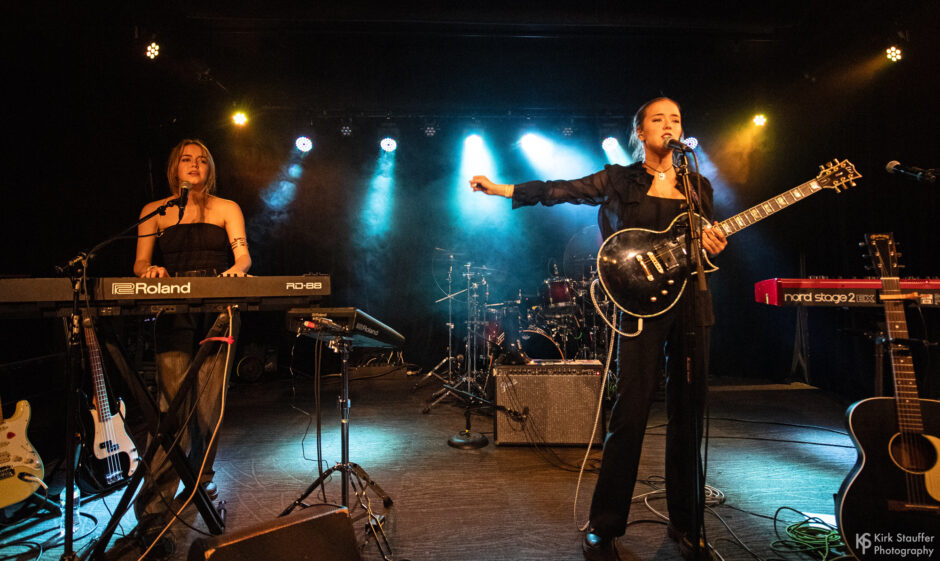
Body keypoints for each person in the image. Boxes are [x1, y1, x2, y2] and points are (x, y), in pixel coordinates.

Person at [470, 97, 727, 561]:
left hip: (690, 304)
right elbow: (561, 190)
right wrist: (502, 189)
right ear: (640, 132)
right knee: (630, 414)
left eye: (676, 119)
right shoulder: (620, 178)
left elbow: (702, 246)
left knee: (689, 416)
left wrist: (713, 243)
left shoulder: (697, 185)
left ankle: (688, 523)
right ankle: (604, 526)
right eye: (659, 119)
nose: (669, 125)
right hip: (639, 307)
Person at [130, 138, 251, 555]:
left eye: (202, 159)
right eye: (186, 159)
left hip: (218, 309)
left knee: (208, 409)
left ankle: (201, 482)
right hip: (173, 310)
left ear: (210, 169)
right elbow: (140, 263)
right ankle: (154, 510)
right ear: (174, 168)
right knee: (171, 409)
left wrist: (235, 272)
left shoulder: (227, 208)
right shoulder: (155, 211)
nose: (194, 164)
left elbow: (244, 258)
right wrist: (151, 270)